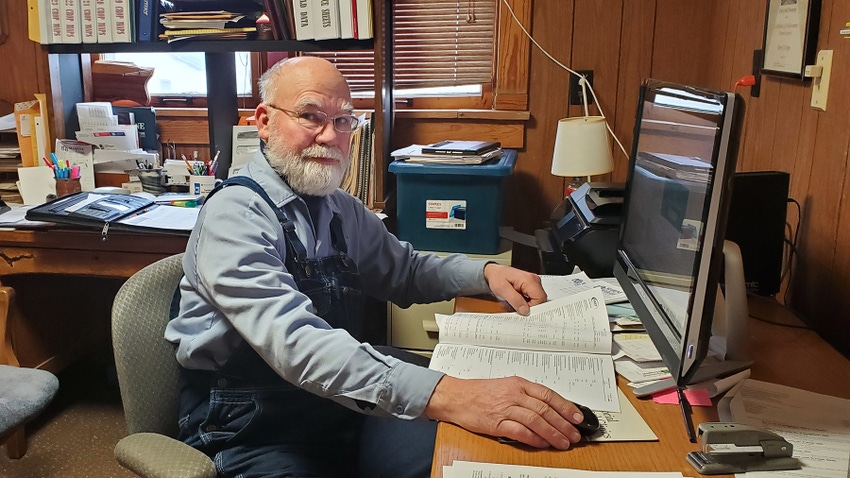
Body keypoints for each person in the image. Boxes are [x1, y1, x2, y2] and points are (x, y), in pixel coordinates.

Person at [165, 56, 590, 478]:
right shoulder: (235, 216)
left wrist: (485, 275)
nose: (330, 136)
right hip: (250, 431)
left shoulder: (337, 208)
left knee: (461, 455)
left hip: (329, 405)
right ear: (264, 121)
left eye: (344, 121)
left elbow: (404, 271)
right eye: (310, 116)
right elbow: (297, 345)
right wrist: (451, 396)